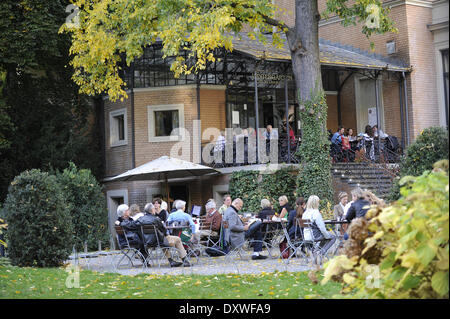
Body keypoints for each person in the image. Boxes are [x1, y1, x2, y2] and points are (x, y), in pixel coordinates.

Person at [120, 202, 190, 267]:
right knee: (177, 239)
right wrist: (166, 234)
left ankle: (171, 261)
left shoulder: (140, 219)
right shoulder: (156, 219)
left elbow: (130, 225)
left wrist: (120, 223)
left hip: (147, 242)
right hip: (159, 241)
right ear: (152, 210)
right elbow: (164, 230)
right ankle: (185, 260)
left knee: (162, 239)